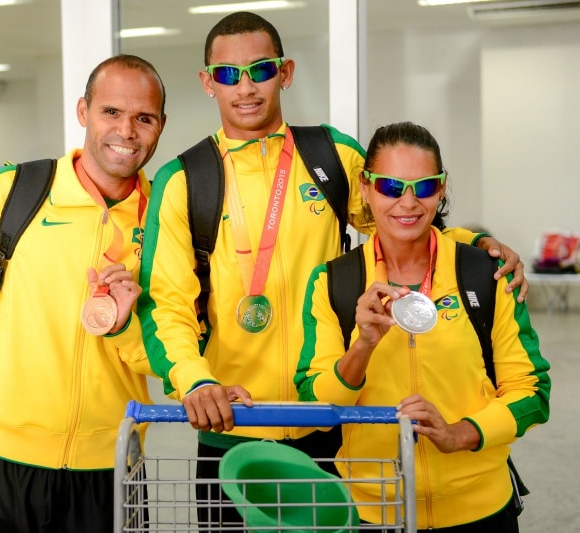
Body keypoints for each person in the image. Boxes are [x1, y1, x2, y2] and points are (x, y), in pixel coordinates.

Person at [137, 11, 529, 528]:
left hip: (330, 422)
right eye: (229, 74)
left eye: (262, 69)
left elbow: (404, 215)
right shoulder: (186, 178)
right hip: (233, 426)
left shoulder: (331, 155)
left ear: (287, 72)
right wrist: (194, 382)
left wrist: (474, 245)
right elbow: (165, 302)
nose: (247, 86)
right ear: (209, 82)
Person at [0, 54, 166, 532]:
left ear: (161, 125)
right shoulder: (12, 192)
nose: (127, 131)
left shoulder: (163, 218)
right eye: (111, 112)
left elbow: (166, 357)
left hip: (110, 468)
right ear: (83, 112)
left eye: (144, 118)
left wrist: (125, 326)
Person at [295, 121, 551, 531]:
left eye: (425, 187)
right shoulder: (333, 283)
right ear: (365, 187)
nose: (409, 202)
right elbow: (319, 408)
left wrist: (461, 434)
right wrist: (362, 346)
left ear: (443, 187)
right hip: (372, 511)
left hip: (480, 510)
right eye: (391, 187)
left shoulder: (485, 273)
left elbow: (533, 392)